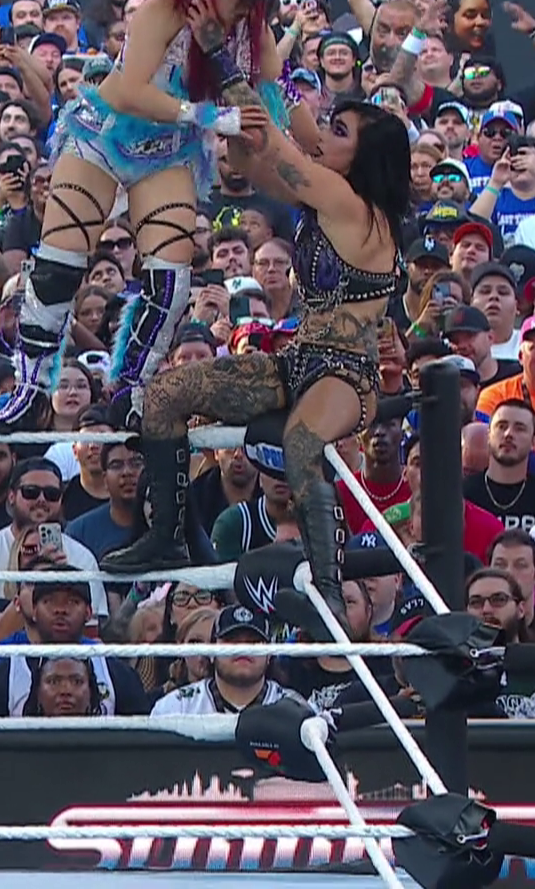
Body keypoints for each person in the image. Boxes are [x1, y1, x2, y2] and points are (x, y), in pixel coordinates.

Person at [109, 96, 411, 632]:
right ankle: (166, 537)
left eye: (339, 131)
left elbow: (276, 146)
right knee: (165, 395)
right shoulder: (325, 197)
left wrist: (241, 87)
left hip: (346, 372)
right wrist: (234, 121)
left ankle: (327, 588)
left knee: (301, 442)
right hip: (298, 358)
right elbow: (251, 164)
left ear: (365, 155)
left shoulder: (353, 205)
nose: (325, 134)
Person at [0, 0, 279, 429]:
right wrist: (210, 117)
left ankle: (130, 389)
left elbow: (273, 94)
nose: (247, 4)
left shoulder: (251, 30)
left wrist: (223, 62)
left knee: (171, 283)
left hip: (169, 151)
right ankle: (31, 387)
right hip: (103, 134)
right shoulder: (164, 8)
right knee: (58, 264)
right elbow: (128, 91)